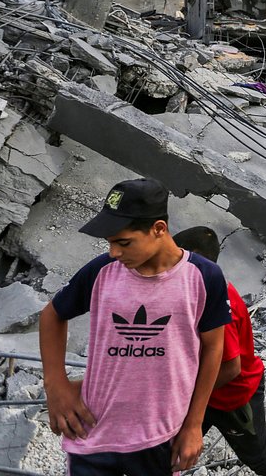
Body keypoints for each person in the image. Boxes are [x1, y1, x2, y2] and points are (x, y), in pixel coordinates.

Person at [39, 179, 230, 476]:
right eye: (110, 243)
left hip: (159, 434)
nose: (114, 252)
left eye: (124, 242)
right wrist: (56, 385)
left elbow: (213, 348)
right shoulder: (102, 272)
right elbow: (52, 316)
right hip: (94, 431)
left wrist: (194, 424)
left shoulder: (203, 277)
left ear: (158, 229)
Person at [173, 227, 266, 476]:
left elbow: (231, 367)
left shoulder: (220, 303)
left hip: (235, 396)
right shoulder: (194, 291)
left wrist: (191, 393)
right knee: (169, 449)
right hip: (205, 390)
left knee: (257, 455)